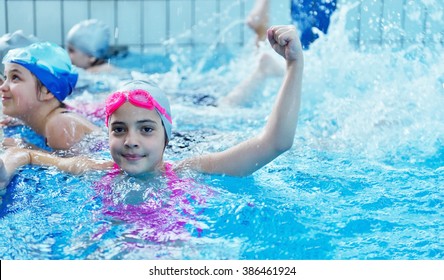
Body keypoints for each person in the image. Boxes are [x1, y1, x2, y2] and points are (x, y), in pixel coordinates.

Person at [0, 25, 303, 187]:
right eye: (119, 129)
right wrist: (12, 159)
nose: (130, 140)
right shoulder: (99, 168)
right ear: (108, 136)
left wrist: (293, 65)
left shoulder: (190, 170)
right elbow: (28, 156)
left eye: (146, 129)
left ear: (166, 137)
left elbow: (275, 143)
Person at [0, 41, 101, 151]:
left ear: (47, 91)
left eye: (15, 77)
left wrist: (26, 149)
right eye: (5, 78)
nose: (2, 87)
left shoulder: (60, 123)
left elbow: (76, 165)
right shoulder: (45, 118)